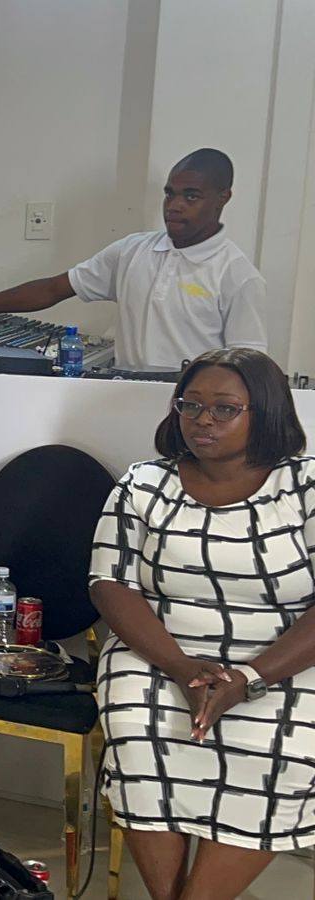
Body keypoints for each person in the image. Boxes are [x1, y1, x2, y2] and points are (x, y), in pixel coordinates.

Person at [91, 347, 315, 900]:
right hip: (160, 650)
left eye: (224, 409)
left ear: (265, 411)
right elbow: (109, 584)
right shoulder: (145, 483)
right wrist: (180, 666)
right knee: (137, 734)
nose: (203, 420)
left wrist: (249, 678)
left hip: (285, 658)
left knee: (280, 750)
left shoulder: (306, 485)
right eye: (190, 405)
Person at [0, 149, 267, 371]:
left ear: (223, 198)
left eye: (191, 196)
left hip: (191, 411)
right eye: (170, 194)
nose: (174, 206)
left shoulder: (236, 276)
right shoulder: (133, 251)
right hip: (121, 393)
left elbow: (248, 366)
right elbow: (51, 290)